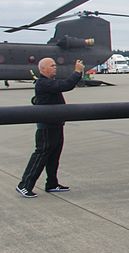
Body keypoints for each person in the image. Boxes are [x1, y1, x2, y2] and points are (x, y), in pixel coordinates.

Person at [16, 57, 85, 198]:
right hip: (46, 128)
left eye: (55, 65)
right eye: (52, 65)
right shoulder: (43, 83)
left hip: (56, 125)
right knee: (40, 156)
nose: (55, 67)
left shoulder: (49, 83)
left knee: (54, 157)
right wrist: (77, 72)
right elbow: (66, 85)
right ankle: (24, 185)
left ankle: (52, 184)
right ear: (43, 69)